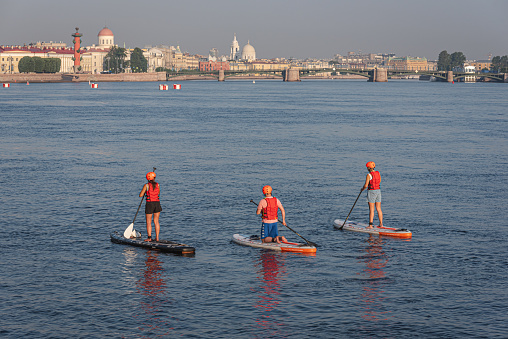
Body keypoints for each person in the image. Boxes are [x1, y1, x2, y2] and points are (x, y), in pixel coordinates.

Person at [139, 171, 162, 242]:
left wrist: (146, 193)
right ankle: (157, 238)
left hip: (150, 204)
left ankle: (149, 237)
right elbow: (158, 193)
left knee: (148, 222)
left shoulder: (146, 186)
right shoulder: (158, 185)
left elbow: (140, 195)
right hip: (157, 203)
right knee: (156, 221)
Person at [361, 161, 383, 228]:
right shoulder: (378, 173)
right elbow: (379, 181)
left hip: (371, 192)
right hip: (378, 191)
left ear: (368, 168)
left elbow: (366, 185)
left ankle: (370, 225)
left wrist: (362, 189)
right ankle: (381, 224)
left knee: (371, 209)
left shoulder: (369, 175)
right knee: (379, 208)